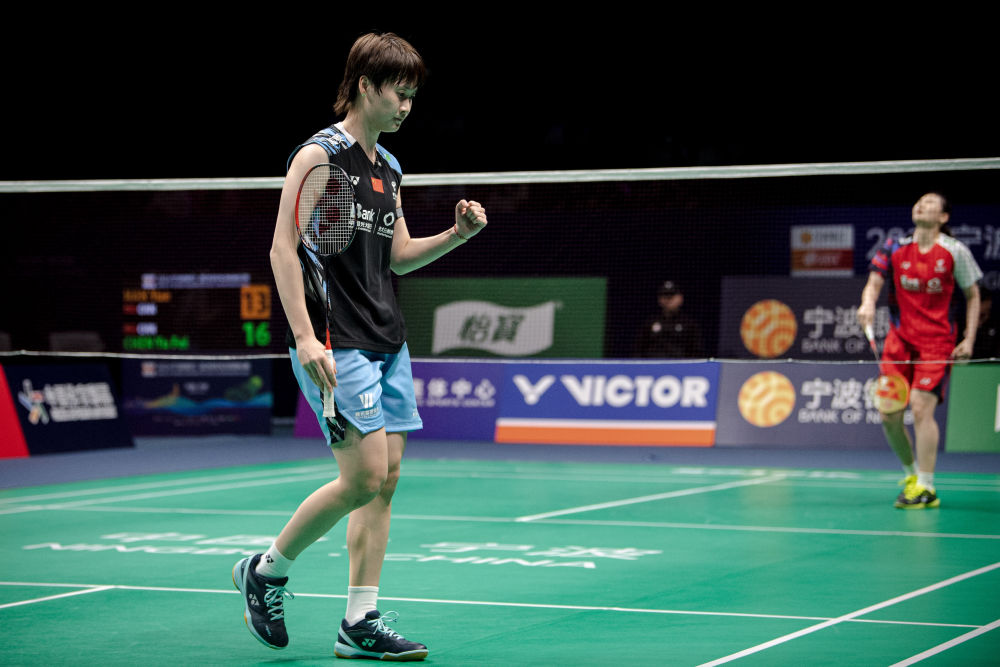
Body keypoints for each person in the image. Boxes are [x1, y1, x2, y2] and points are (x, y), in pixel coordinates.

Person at [233, 32, 487, 660]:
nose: (407, 107)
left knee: (387, 480)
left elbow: (397, 258)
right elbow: (282, 249)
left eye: (413, 97)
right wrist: (303, 337)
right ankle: (266, 570)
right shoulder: (318, 157)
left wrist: (456, 236)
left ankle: (359, 621)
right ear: (365, 86)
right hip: (333, 338)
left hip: (386, 339)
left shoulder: (390, 168)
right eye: (399, 94)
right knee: (364, 475)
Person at [857, 192, 981, 509]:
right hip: (899, 340)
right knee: (888, 413)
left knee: (921, 407)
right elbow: (874, 281)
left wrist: (968, 339)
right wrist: (867, 303)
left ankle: (926, 486)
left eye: (929, 203)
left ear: (943, 217)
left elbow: (973, 295)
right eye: (919, 202)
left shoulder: (954, 251)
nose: (921, 205)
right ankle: (911, 475)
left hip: (936, 341)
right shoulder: (894, 246)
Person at [635, 280, 705, 358]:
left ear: (680, 298)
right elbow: (638, 350)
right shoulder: (649, 323)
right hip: (654, 364)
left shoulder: (689, 324)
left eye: (671, 296)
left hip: (680, 364)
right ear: (659, 299)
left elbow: (696, 352)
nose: (668, 300)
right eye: (665, 296)